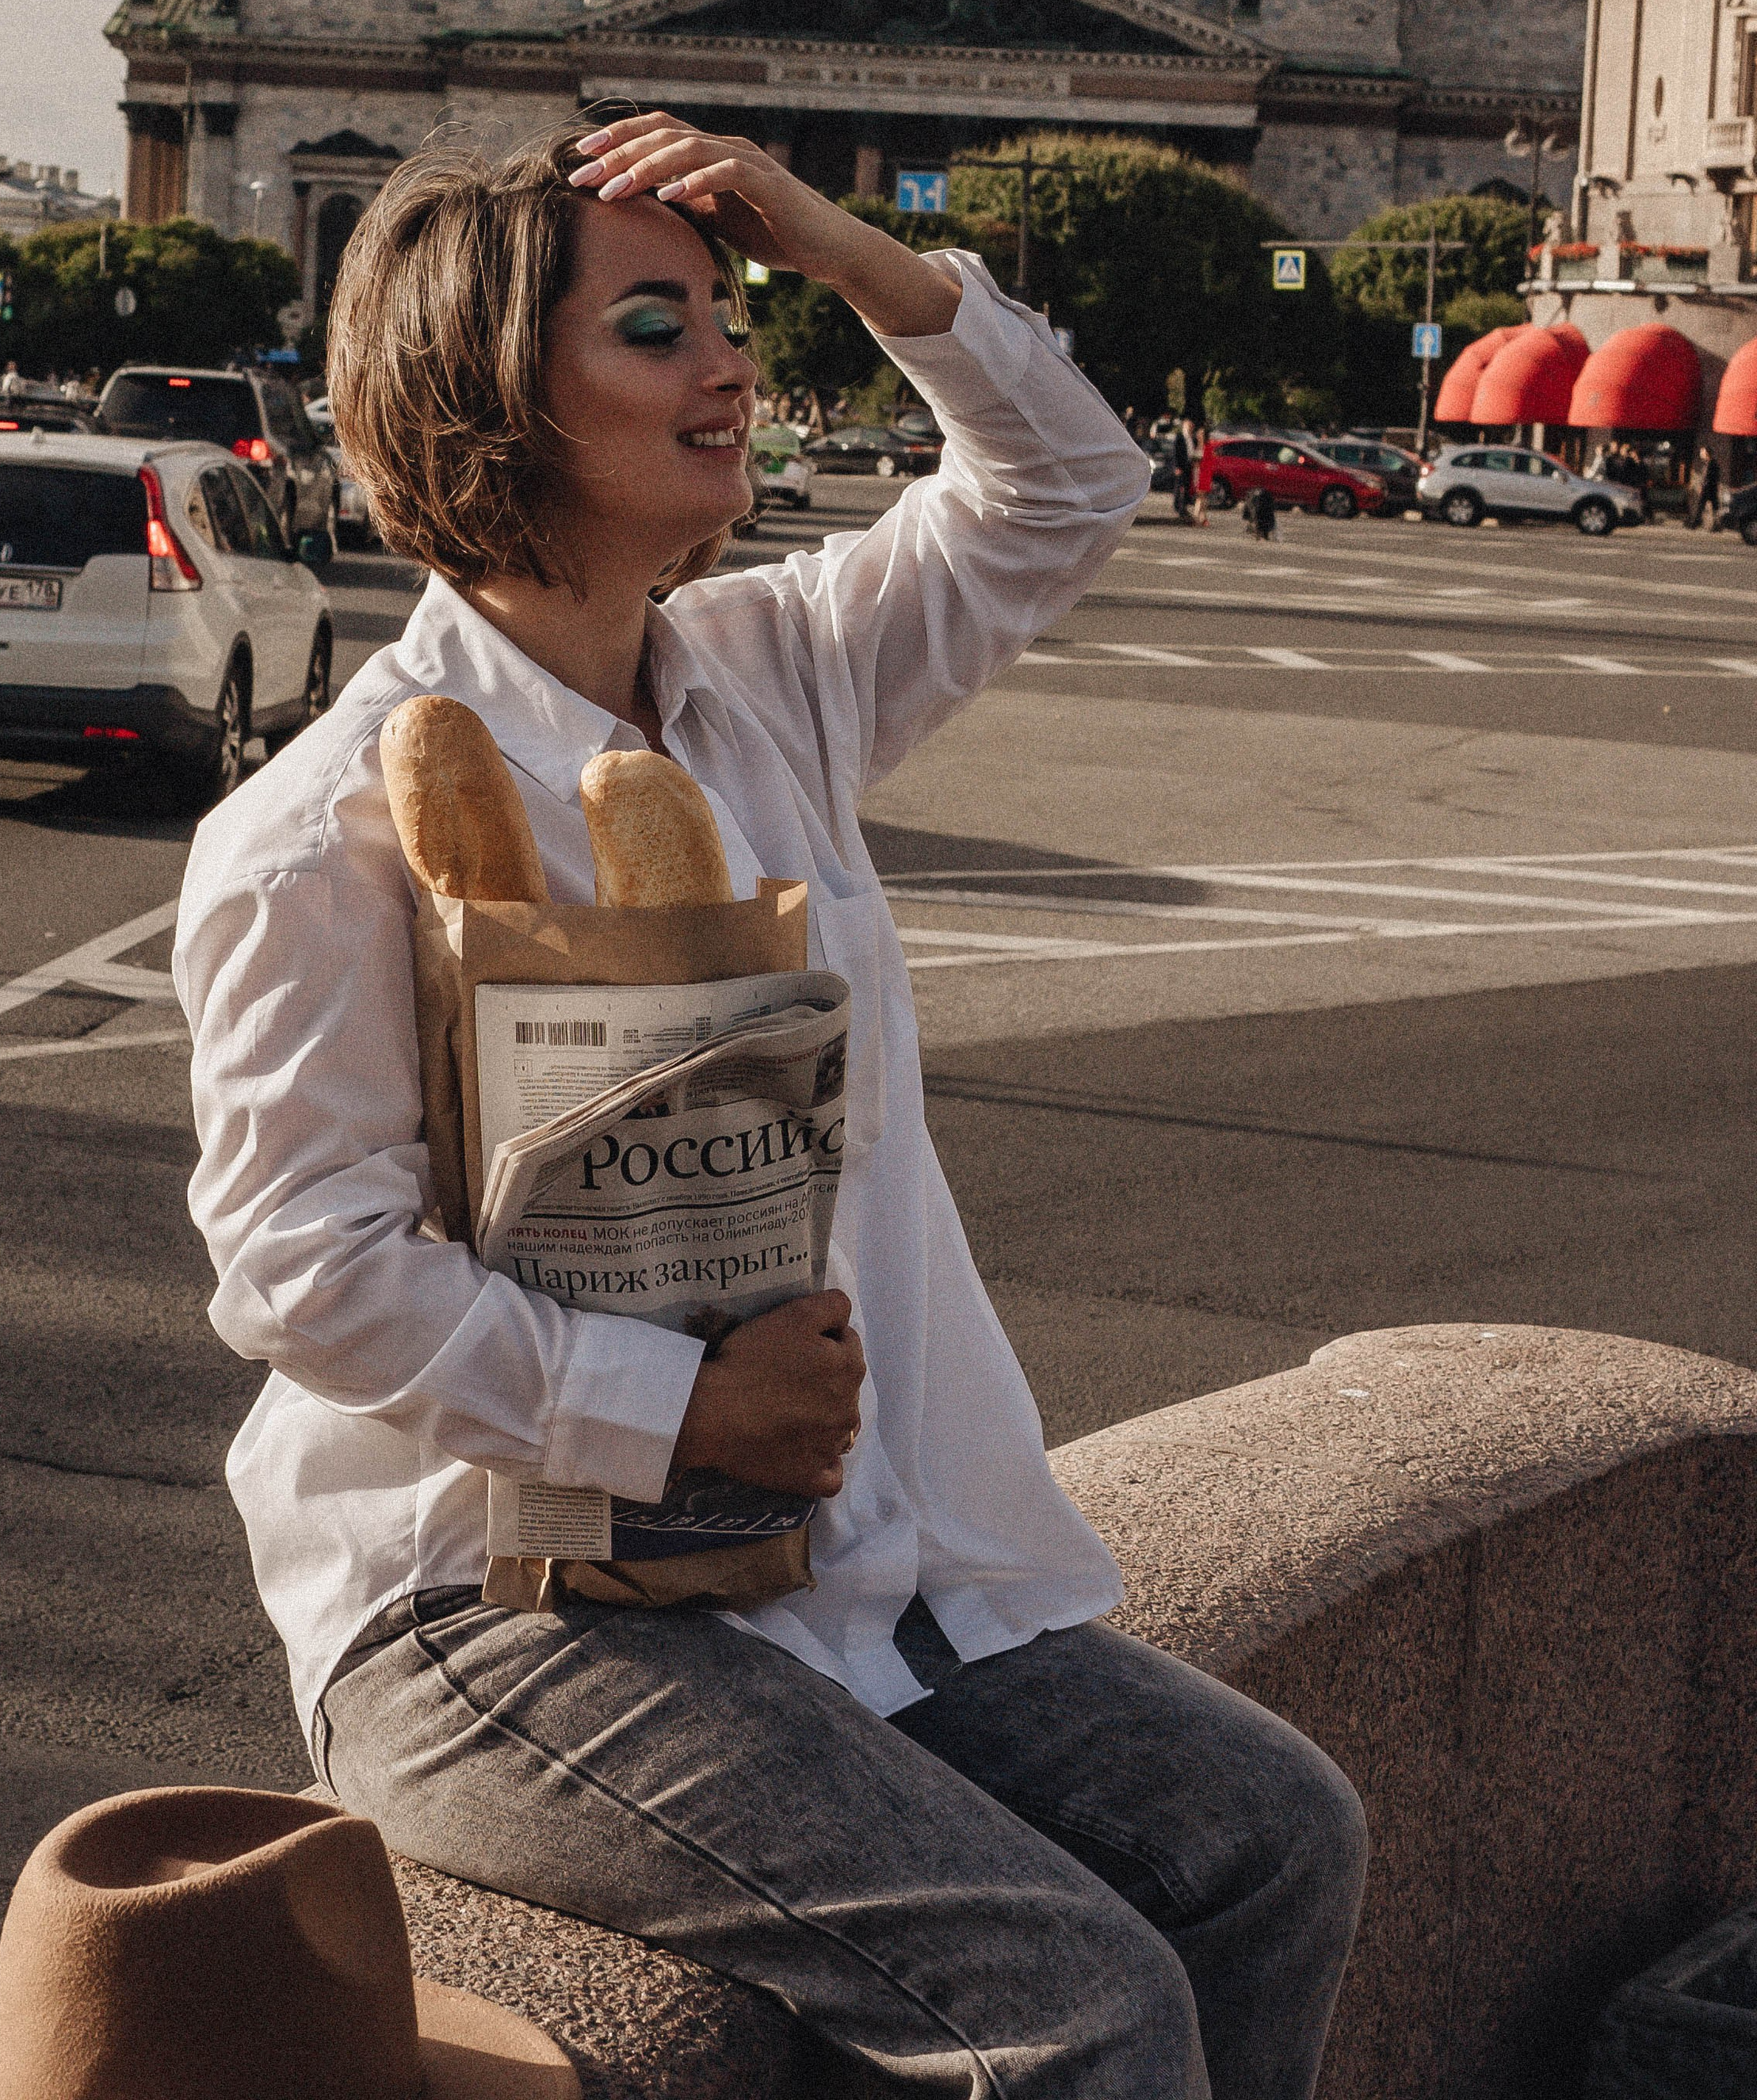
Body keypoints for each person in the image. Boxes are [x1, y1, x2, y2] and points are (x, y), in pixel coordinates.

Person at [176, 116, 1366, 2100]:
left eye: (730, 321)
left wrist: (854, 255)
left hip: (830, 1566)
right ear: (486, 391)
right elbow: (303, 1273)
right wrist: (669, 1415)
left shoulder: (772, 676)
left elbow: (1065, 483)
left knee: (1272, 1837)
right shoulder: (319, 830)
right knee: (1078, 2003)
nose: (730, 366)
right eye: (658, 329)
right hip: (489, 1608)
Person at [1686, 446, 1721, 531]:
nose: (1701, 455)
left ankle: (1697, 523)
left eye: (1702, 453)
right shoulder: (1708, 463)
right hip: (1710, 489)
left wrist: (1704, 486)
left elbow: (1710, 477)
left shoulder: (1712, 464)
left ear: (1707, 454)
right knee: (1710, 507)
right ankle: (1714, 525)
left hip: (1710, 489)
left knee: (1706, 506)